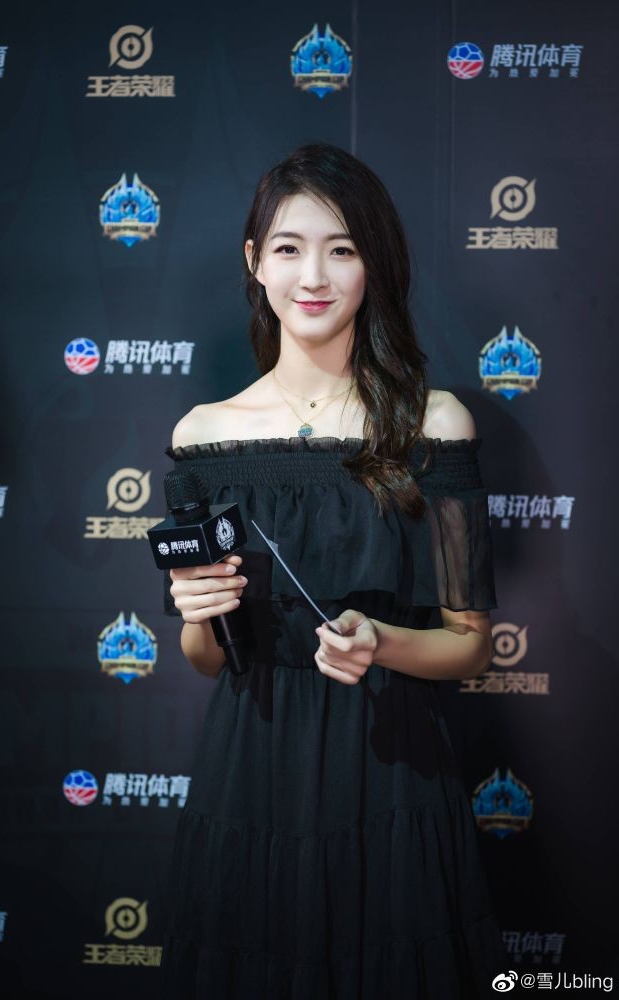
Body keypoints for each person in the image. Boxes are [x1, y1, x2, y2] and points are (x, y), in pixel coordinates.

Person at [158, 142, 507, 998]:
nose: (312, 275)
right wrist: (198, 612)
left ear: (373, 264)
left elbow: (470, 643)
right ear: (256, 261)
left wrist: (381, 641)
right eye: (289, 247)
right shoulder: (203, 436)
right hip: (252, 767)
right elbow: (206, 658)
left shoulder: (435, 424)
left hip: (393, 769)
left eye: (341, 249)